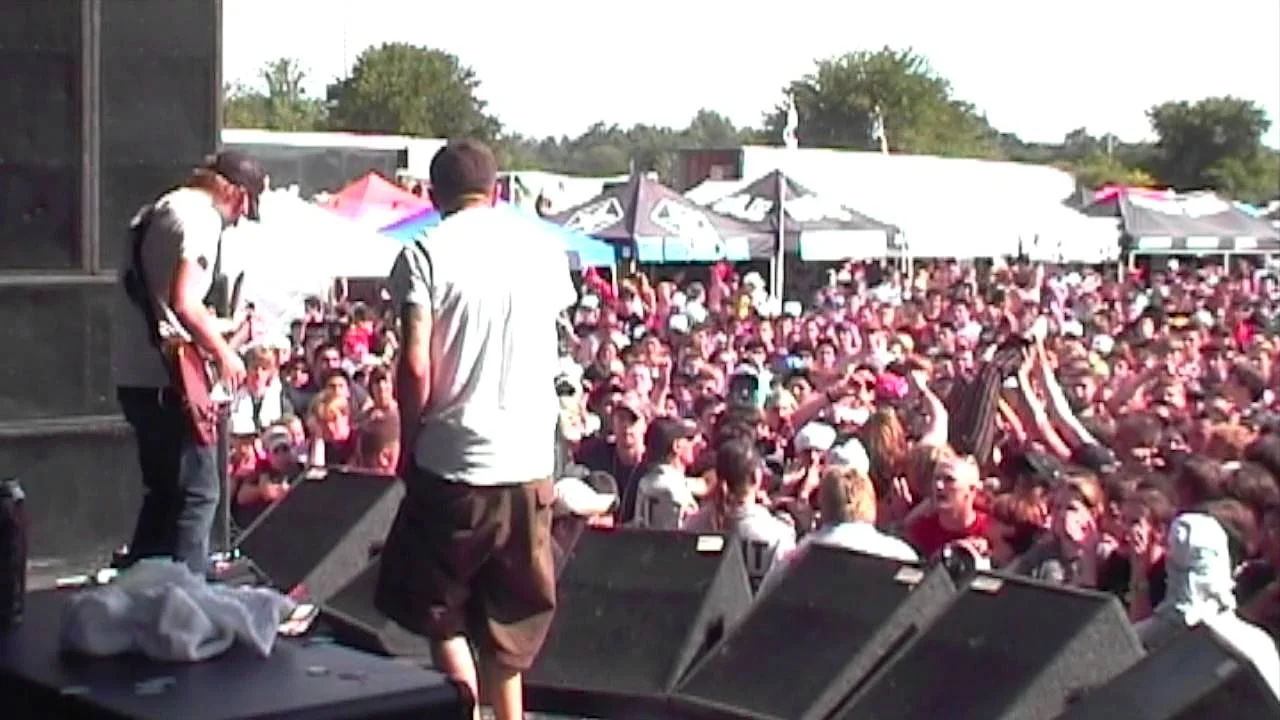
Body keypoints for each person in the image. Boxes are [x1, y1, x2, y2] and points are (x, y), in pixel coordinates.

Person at [375, 140, 573, 720]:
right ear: (497, 190)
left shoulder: (424, 253)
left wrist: (411, 440)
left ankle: (465, 712)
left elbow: (415, 364)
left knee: (439, 611)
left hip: (453, 460)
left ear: (432, 194)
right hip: (530, 462)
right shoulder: (544, 251)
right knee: (509, 626)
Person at [111, 150, 264, 574]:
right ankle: (185, 596)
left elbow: (163, 307)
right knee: (199, 494)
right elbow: (184, 302)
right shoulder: (201, 219)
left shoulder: (158, 211)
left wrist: (227, 328)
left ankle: (139, 593)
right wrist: (226, 354)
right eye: (246, 207)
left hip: (137, 377)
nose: (240, 219)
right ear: (238, 195)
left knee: (163, 495)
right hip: (170, 385)